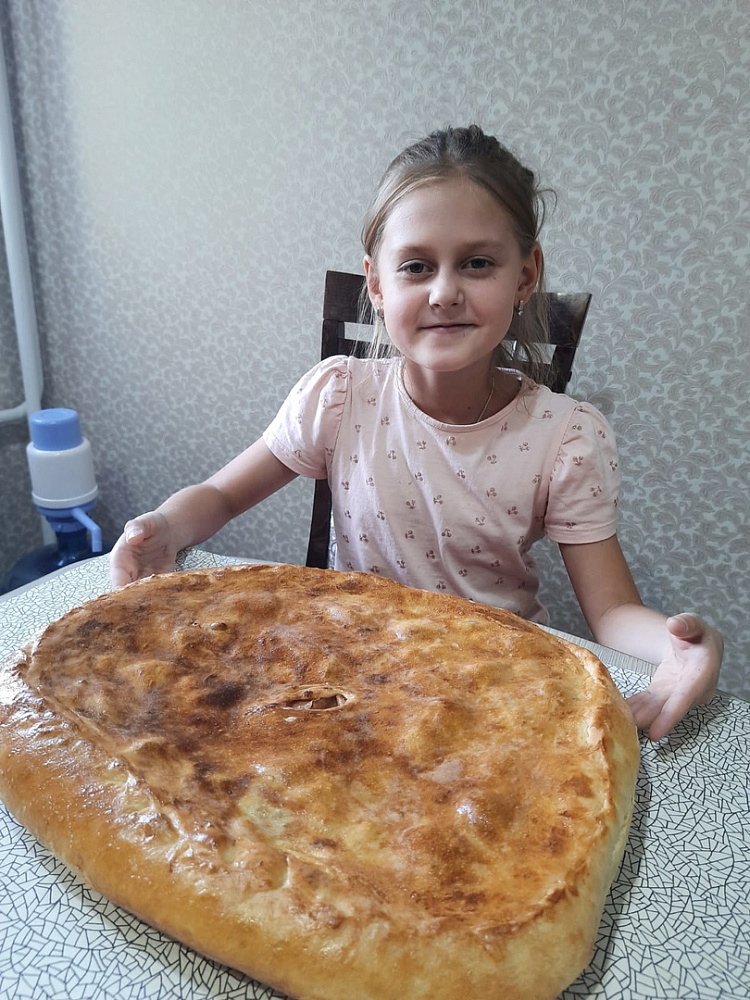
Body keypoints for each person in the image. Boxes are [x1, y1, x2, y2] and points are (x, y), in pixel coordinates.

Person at [110, 125, 722, 742]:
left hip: (494, 693)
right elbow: (220, 497)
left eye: (477, 263)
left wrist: (674, 647)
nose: (445, 292)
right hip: (350, 683)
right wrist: (167, 527)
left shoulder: (565, 437)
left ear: (525, 275)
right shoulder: (338, 397)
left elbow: (612, 612)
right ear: (377, 284)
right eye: (416, 267)